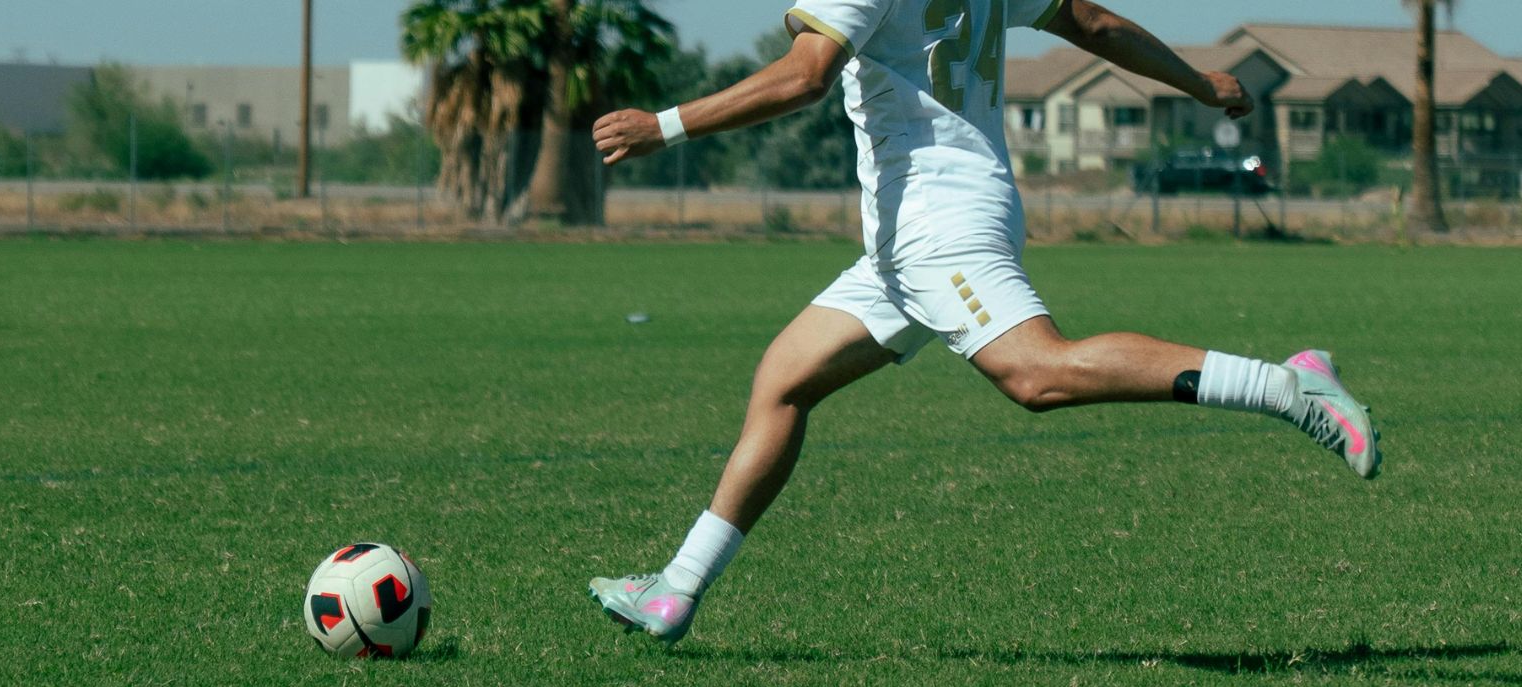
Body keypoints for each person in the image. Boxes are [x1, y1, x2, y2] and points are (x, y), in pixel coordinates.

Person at [587, 0, 1381, 646]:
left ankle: (1286, 385)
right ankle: (676, 590)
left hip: (940, 227)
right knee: (785, 381)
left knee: (1037, 373)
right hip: (915, 235)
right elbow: (1094, 25)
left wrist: (667, 125)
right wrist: (1201, 84)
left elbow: (805, 77)